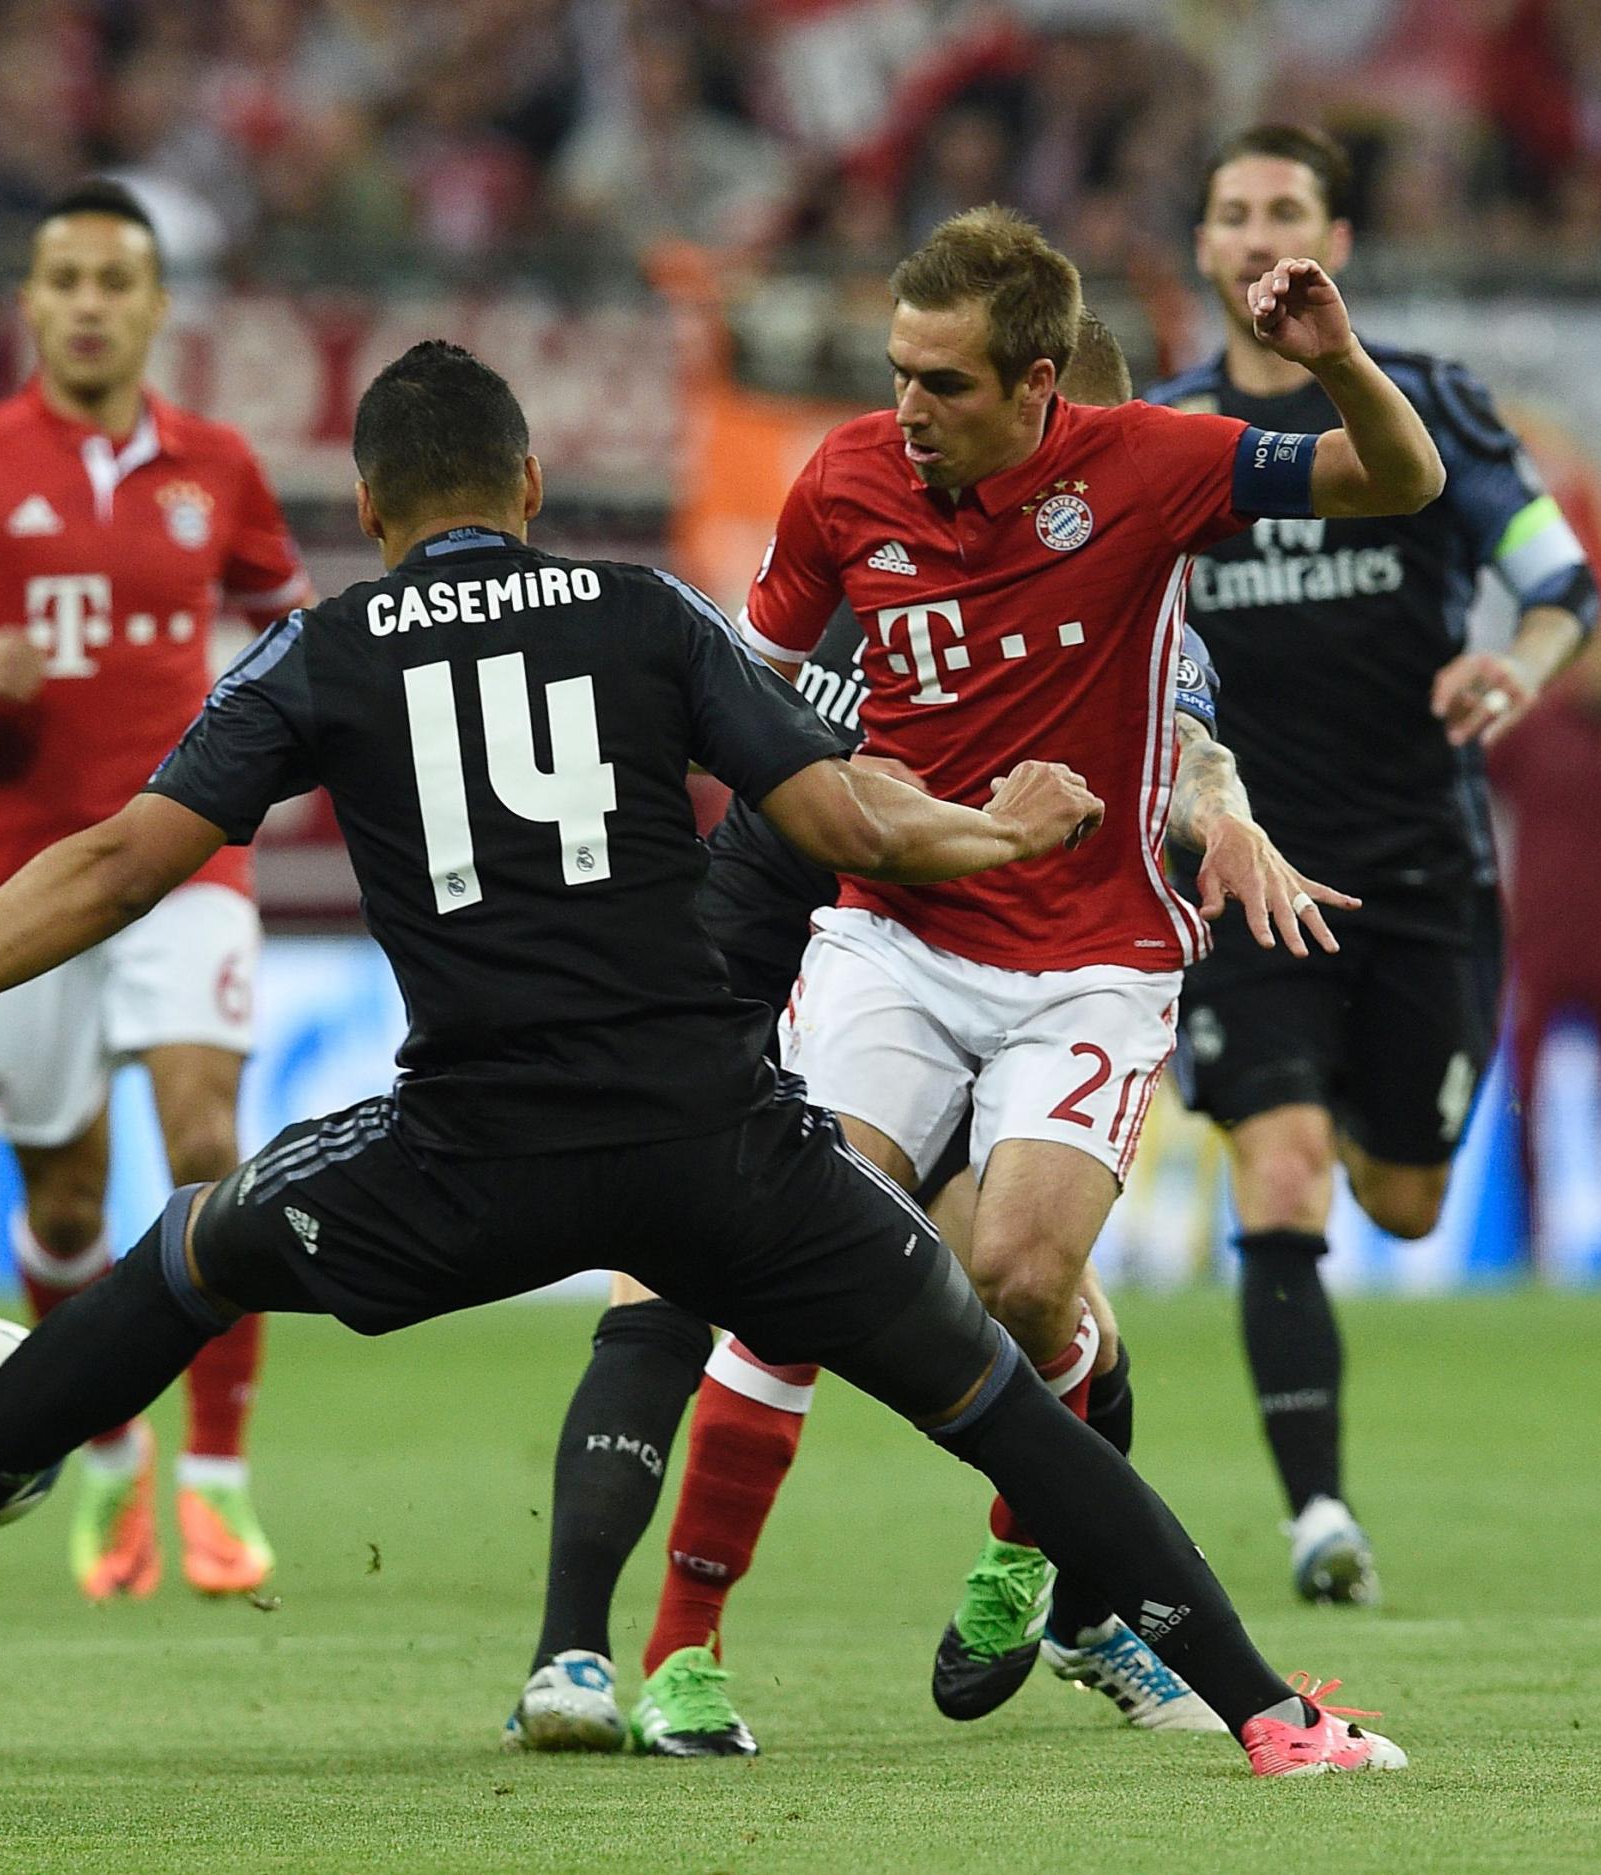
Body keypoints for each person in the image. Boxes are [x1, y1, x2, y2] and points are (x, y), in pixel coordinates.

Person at [0, 339, 1411, 1783]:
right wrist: (989, 834)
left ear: (370, 515)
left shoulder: (323, 649)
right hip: (724, 1147)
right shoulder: (646, 615)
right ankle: (1275, 1721)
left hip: (473, 1155)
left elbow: (112, 864)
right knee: (996, 1407)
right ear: (529, 484)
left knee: (187, 1253)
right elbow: (833, 813)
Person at [620, 203, 1444, 1755]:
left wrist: (1335, 363)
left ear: (1039, 382)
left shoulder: (1151, 465)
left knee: (1020, 1280)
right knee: (787, 1256)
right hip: (893, 932)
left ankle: (1027, 1541)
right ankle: (684, 1655)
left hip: (1094, 959)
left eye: (941, 381)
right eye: (897, 372)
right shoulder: (844, 478)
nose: (905, 409)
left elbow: (1399, 481)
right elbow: (755, 692)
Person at [508, 315, 1155, 1757]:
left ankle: (1050, 1568)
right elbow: (746, 705)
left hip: (989, 952)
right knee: (691, 1277)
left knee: (1032, 1289)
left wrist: (1224, 813)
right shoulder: (886, 541)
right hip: (779, 930)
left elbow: (1197, 727)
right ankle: (594, 1653)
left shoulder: (1132, 609)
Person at [0, 178, 313, 1602]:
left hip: (186, 853)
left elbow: (288, 627)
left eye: (117, 280)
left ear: (157, 307)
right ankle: (110, 1458)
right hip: (23, 879)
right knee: (62, 1194)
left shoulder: (217, 465)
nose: (91, 303)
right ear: (31, 304)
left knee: (208, 1142)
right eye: (67, 280)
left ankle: (215, 1477)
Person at [1145, 124, 1600, 1605]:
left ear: (1333, 240)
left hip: (1421, 872)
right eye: (1234, 211)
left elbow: (1557, 580)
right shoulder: (1159, 441)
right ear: (1203, 249)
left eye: (1288, 207)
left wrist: (1520, 672)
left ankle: (1350, 1101)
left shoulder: (1437, 411)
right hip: (1247, 870)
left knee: (1400, 1194)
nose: (1260, 230)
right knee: (1280, 1172)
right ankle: (1319, 1516)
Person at [1485, 622, 1601, 1270]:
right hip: (1540, 947)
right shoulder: (1535, 732)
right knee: (1527, 1092)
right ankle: (1532, 1240)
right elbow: (1477, 787)